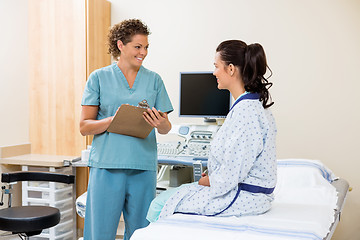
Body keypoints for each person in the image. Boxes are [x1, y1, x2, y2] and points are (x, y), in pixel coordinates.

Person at [146, 40, 276, 222]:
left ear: (231, 69)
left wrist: (207, 181)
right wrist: (213, 175)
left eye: (216, 66)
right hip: (241, 190)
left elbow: (233, 173)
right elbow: (237, 161)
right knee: (173, 195)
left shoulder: (246, 112)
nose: (214, 72)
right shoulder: (249, 106)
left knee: (159, 205)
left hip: (244, 196)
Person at [80, 19, 173, 240]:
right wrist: (113, 120)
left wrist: (160, 123)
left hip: (142, 166)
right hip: (106, 166)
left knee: (142, 233)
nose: (143, 52)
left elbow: (166, 127)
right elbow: (84, 127)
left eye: (146, 47)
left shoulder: (154, 80)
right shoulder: (99, 78)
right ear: (121, 45)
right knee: (99, 233)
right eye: (138, 47)